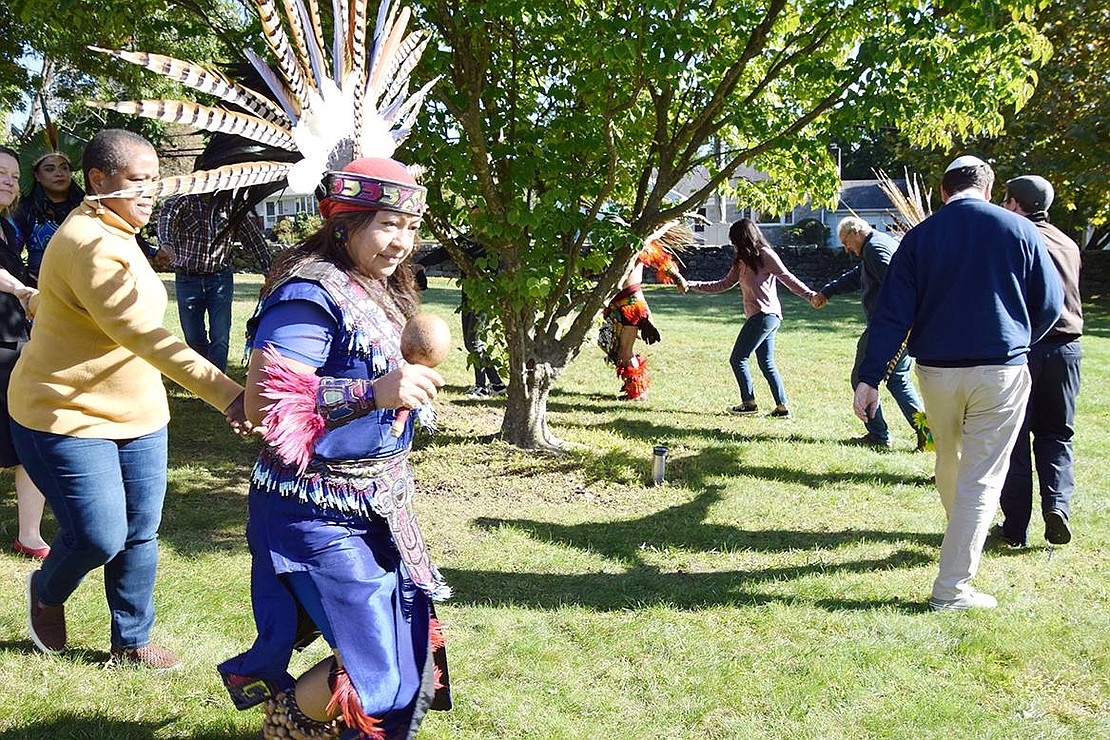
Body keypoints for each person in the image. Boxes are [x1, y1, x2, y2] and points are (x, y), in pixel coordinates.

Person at [216, 156, 452, 739]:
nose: (401, 241)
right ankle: (289, 721)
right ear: (342, 222)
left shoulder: (381, 287)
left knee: (407, 661)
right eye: (387, 224)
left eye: (412, 226)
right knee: (379, 678)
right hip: (313, 512)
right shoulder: (308, 293)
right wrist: (373, 393)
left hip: (381, 508)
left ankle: (294, 721)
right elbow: (268, 406)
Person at [10, 129, 251, 669]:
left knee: (141, 531)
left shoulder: (119, 230)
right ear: (98, 180)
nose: (150, 194)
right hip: (63, 411)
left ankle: (132, 640)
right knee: (98, 536)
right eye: (137, 182)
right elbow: (143, 334)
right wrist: (230, 397)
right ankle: (46, 590)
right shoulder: (88, 243)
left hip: (139, 411)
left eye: (154, 182)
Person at [853, 155, 1063, 611]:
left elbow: (892, 314)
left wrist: (869, 378)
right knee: (982, 477)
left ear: (943, 192)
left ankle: (960, 535)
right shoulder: (1020, 229)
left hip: (936, 372)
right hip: (999, 370)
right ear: (987, 190)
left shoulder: (919, 238)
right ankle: (951, 589)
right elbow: (1050, 304)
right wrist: (1018, 339)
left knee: (949, 457)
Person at [995, 175, 1083, 548]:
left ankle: (1015, 528)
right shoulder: (1068, 242)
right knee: (1056, 434)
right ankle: (1057, 506)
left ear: (1015, 203)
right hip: (1067, 350)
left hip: (1026, 347)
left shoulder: (1012, 238)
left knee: (1014, 440)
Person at [812, 217, 927, 450]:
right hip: (899, 325)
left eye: (846, 242)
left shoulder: (875, 249)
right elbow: (858, 276)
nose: (846, 249)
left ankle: (879, 435)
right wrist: (829, 291)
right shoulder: (876, 246)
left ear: (856, 231)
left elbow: (897, 285)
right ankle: (928, 432)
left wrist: (894, 323)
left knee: (862, 377)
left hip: (889, 327)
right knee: (897, 379)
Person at [689, 218, 818, 418]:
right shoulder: (741, 261)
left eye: (735, 240)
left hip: (765, 316)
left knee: (738, 359)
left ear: (744, 238)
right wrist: (692, 285)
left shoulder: (765, 255)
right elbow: (722, 284)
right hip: (762, 317)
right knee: (766, 362)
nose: (733, 245)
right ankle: (782, 408)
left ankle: (748, 404)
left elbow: (787, 277)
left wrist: (810, 295)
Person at [0, 145, 51, 559]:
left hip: (14, 340)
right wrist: (19, 288)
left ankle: (30, 535)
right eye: (1, 173)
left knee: (28, 432)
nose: (9, 182)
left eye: (15, 177)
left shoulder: (7, 226)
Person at [157, 191, 273, 371]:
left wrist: (269, 271)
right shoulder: (184, 201)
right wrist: (165, 243)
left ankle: (217, 384)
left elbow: (253, 239)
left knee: (220, 336)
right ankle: (205, 378)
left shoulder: (231, 207)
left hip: (219, 279)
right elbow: (168, 215)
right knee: (193, 336)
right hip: (187, 279)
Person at [599, 221, 689, 400]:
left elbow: (662, 261)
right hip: (620, 305)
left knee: (625, 351)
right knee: (614, 348)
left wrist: (679, 278)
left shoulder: (638, 244)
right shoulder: (616, 244)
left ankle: (637, 392)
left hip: (631, 306)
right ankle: (633, 387)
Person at [416, 231, 506, 397]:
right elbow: (446, 251)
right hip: (469, 294)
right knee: (470, 342)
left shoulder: (495, 241)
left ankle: (481, 387)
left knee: (475, 341)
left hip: (485, 295)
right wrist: (422, 264)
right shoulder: (468, 238)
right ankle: (497, 384)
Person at [12, 150, 85, 283]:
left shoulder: (87, 206)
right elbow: (11, 253)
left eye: (64, 167)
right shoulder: (24, 210)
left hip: (86, 281)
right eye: (50, 169)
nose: (59, 173)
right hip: (40, 286)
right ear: (37, 176)